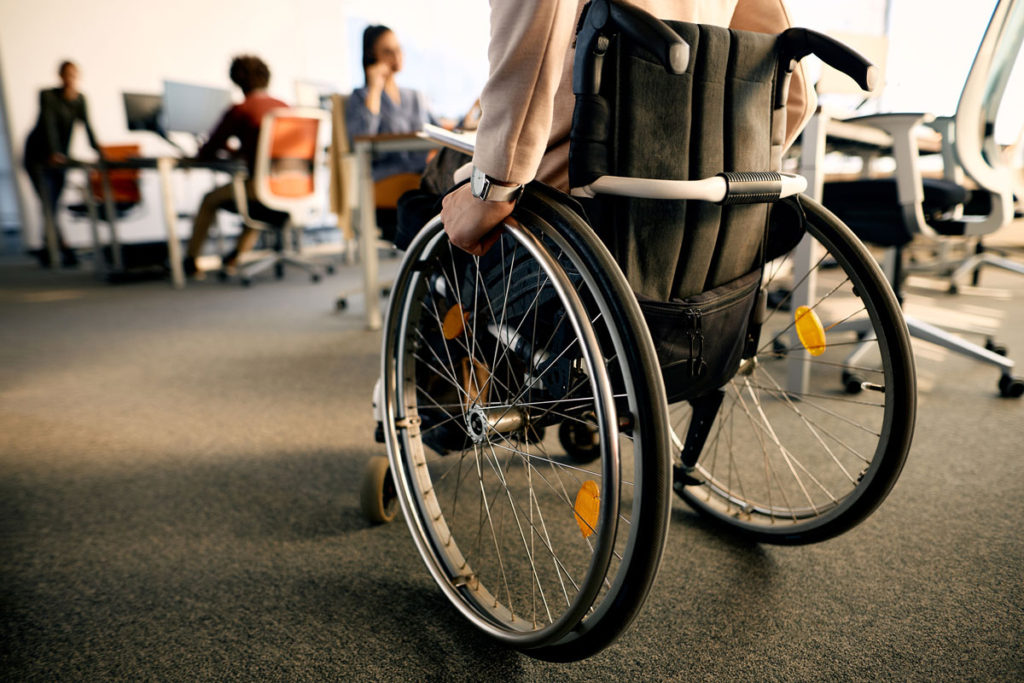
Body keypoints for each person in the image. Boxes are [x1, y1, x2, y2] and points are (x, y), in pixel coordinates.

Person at [440, 0, 816, 256]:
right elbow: (794, 97)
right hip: (696, 216)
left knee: (431, 192)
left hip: (573, 186)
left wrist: (494, 187)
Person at [184, 55, 287, 278]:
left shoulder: (240, 109)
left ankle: (190, 261)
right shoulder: (285, 107)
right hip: (291, 187)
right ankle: (233, 257)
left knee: (209, 199)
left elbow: (208, 150)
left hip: (260, 187)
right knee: (254, 199)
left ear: (237, 81)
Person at [23, 60, 103, 267]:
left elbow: (88, 127)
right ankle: (60, 247)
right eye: (66, 74)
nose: (70, 78)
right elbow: (48, 122)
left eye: (73, 74)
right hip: (37, 156)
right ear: (60, 76)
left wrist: (101, 152)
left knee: (52, 204)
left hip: (60, 158)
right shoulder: (48, 95)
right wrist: (53, 152)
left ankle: (50, 246)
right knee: (48, 202)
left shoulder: (80, 100)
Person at [345, 25, 442, 182]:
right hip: (387, 176)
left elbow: (440, 132)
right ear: (372, 55)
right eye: (388, 51)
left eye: (398, 49)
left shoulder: (415, 96)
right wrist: (375, 90)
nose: (396, 56)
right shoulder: (361, 97)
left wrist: (470, 118)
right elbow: (361, 142)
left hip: (422, 172)